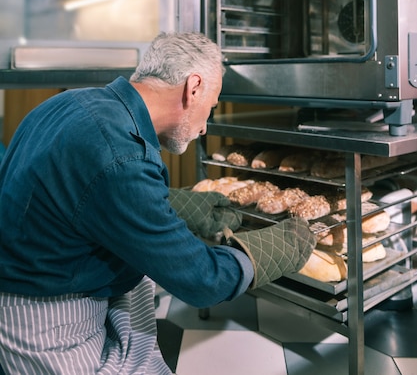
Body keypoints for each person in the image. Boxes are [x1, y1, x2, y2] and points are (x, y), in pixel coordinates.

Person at [0, 31, 315, 375]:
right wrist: (266, 253)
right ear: (193, 87)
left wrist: (174, 205)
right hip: (44, 320)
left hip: (40, 277)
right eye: (210, 108)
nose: (205, 127)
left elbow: (77, 195)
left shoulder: (72, 103)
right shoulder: (122, 156)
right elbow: (202, 280)